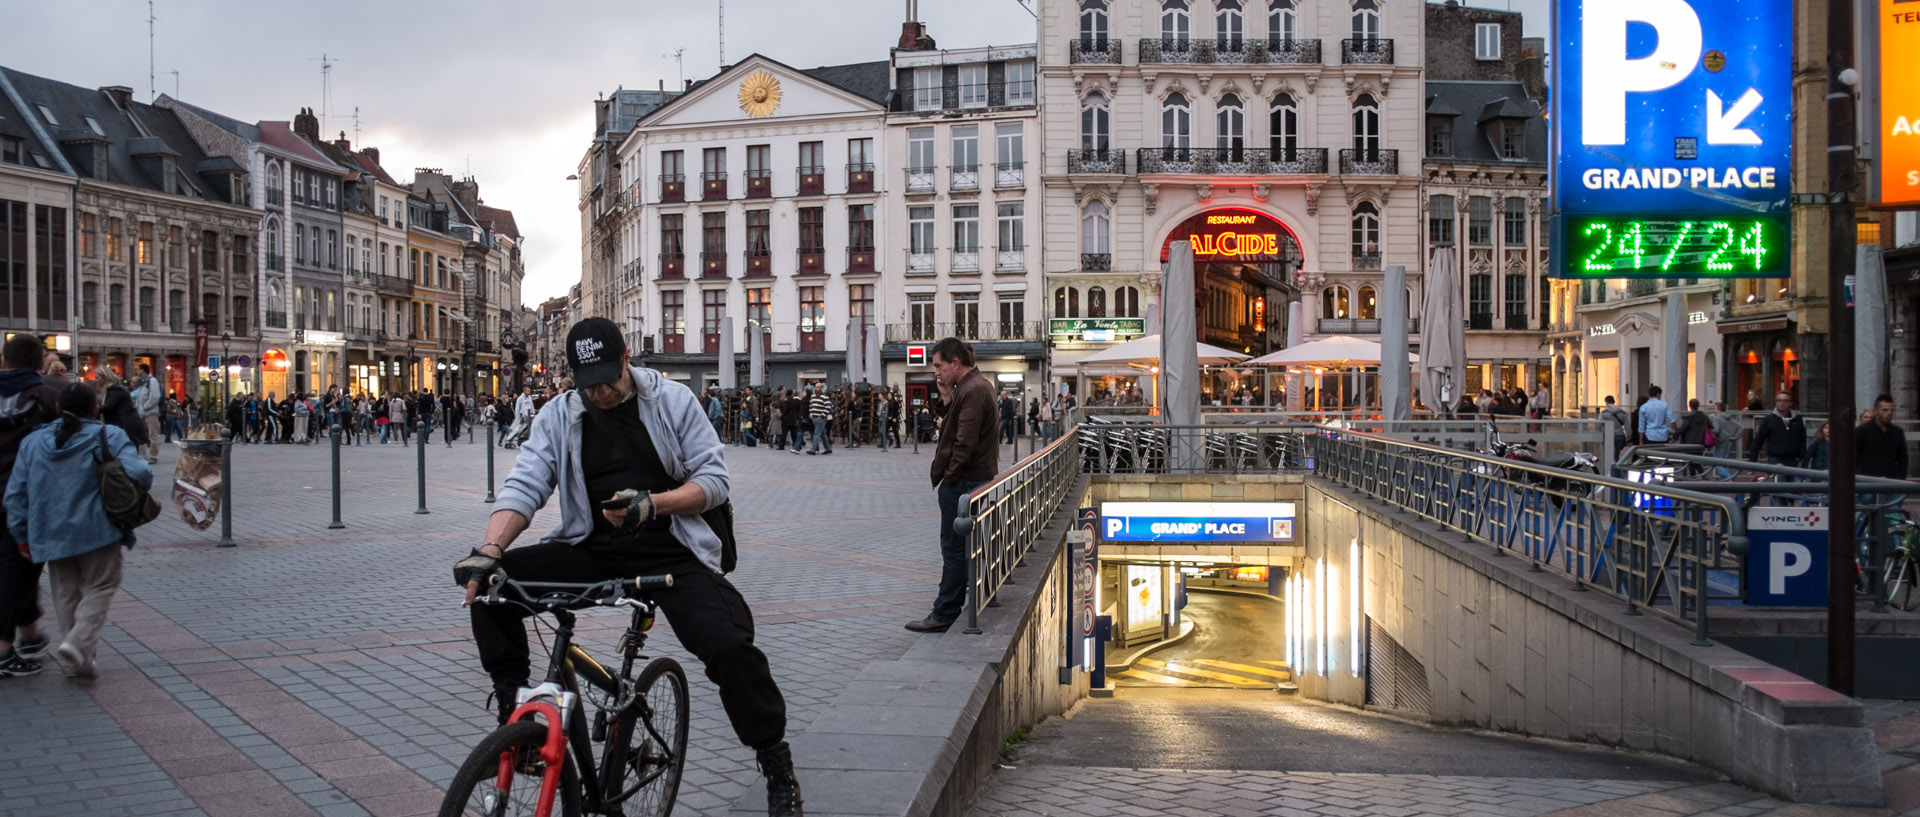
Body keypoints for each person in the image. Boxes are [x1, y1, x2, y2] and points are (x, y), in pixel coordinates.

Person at [454, 318, 802, 815]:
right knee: (493, 586)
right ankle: (515, 719)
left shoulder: (673, 401)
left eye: (607, 379)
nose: (598, 392)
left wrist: (652, 504)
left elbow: (714, 480)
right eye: (586, 383)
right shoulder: (560, 415)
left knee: (730, 647)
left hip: (673, 553)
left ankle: (775, 761)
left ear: (626, 360)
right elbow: (526, 484)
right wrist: (489, 549)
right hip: (594, 550)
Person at [6, 382, 151, 679]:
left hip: (49, 530)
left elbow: (16, 494)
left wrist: (21, 533)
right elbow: (140, 473)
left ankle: (77, 662)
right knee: (101, 585)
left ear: (59, 408)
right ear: (95, 408)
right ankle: (77, 643)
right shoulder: (107, 435)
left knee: (65, 592)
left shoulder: (33, 441)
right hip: (98, 528)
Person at [908, 337, 1000, 634]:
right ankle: (957, 602)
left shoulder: (973, 390)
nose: (936, 372)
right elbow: (957, 425)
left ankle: (945, 611)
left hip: (965, 479)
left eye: (939, 366)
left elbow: (964, 440)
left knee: (953, 547)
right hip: (971, 476)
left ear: (955, 363)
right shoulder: (973, 387)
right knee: (961, 546)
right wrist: (946, 396)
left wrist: (950, 476)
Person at [0, 335, 60, 678]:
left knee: (17, 574)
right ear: (40, 365)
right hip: (27, 500)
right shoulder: (48, 397)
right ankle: (4, 651)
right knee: (18, 574)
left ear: (4, 361)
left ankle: (30, 635)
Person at [1748, 391, 1807, 467]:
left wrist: (1801, 456)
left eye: (1785, 401)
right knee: (1778, 478)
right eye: (1779, 400)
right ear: (1776, 403)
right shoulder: (1768, 420)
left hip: (1794, 459)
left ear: (1791, 403)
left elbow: (1802, 438)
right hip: (1775, 459)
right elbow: (1759, 439)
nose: (1782, 403)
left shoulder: (1798, 419)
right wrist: (1752, 460)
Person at [1858, 395, 1908, 480]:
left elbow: (1903, 459)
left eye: (1891, 410)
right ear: (1875, 411)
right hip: (1866, 482)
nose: (1889, 413)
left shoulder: (1898, 432)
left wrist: (1900, 479)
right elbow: (1853, 457)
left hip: (1892, 483)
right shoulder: (1861, 431)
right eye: (1885, 410)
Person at [130, 363, 162, 464]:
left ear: (143, 370)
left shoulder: (152, 381)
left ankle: (153, 456)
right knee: (141, 435)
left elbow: (155, 397)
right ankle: (142, 456)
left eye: (138, 369)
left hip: (150, 413)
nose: (137, 372)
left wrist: (145, 408)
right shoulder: (143, 383)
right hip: (142, 413)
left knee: (153, 435)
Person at [807, 385, 833, 455]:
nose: (816, 388)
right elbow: (811, 405)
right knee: (822, 434)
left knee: (816, 434)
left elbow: (828, 408)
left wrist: (821, 416)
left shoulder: (825, 397)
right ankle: (828, 448)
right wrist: (810, 413)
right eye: (815, 387)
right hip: (814, 417)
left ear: (821, 388)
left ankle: (813, 450)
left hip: (820, 418)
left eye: (818, 387)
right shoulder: (812, 396)